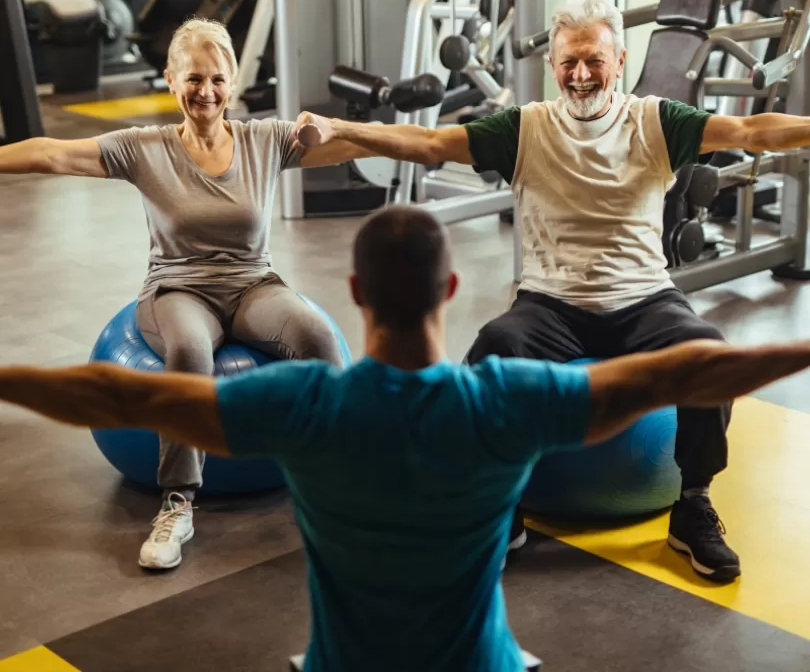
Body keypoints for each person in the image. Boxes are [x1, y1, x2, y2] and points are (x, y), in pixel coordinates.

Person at [3, 207, 810, 672]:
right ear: (451, 289)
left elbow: (111, 391)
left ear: (354, 292)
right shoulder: (506, 402)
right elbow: (675, 379)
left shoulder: (303, 404)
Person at [290, 0, 810, 584]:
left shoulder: (656, 122)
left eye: (594, 60)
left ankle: (692, 504)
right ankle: (499, 503)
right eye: (569, 62)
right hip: (551, 303)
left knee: (709, 357)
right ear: (552, 65)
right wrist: (338, 126)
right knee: (490, 352)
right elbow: (430, 145)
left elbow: (750, 129)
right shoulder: (526, 128)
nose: (581, 75)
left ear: (619, 61)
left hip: (644, 298)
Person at [0, 17, 375, 571]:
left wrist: (353, 132)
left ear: (233, 83)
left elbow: (346, 147)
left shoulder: (264, 140)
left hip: (253, 284)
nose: (207, 91)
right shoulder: (142, 148)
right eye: (194, 79)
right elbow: (53, 153)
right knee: (191, 352)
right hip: (176, 288)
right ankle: (178, 502)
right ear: (172, 81)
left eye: (218, 79)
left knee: (319, 336)